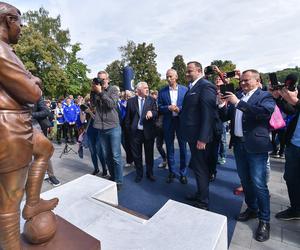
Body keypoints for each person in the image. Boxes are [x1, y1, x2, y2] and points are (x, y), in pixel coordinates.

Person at [0, 3, 57, 249]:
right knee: (9, 202)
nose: (22, 30)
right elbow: (32, 93)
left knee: (44, 148)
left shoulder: (7, 50)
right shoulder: (1, 51)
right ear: (8, 21)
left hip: (18, 123)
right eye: (20, 24)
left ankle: (32, 202)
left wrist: (30, 79)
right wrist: (34, 80)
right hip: (9, 127)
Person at [219, 69, 275, 242]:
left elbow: (264, 114)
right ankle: (252, 208)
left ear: (258, 81)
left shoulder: (265, 96)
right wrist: (221, 105)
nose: (242, 83)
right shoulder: (238, 96)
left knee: (259, 184)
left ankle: (265, 220)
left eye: (246, 80)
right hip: (239, 145)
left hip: (256, 146)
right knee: (245, 180)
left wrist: (238, 103)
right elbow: (225, 117)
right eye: (241, 81)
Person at [180, 61, 218, 210]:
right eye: (187, 71)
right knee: (197, 167)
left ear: (199, 71)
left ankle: (203, 201)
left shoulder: (206, 86)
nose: (187, 74)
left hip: (199, 137)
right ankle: (200, 194)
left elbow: (208, 114)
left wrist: (203, 138)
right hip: (192, 135)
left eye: (190, 71)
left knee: (201, 168)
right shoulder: (193, 87)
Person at [271, 75, 300, 220]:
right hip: (294, 144)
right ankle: (296, 209)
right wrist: (279, 98)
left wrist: (296, 102)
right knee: (291, 178)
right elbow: (292, 110)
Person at [91, 71, 123, 190]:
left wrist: (100, 92)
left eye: (103, 79)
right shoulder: (96, 91)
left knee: (116, 156)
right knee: (107, 156)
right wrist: (93, 90)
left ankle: (119, 181)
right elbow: (93, 104)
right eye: (99, 79)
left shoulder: (113, 89)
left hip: (113, 127)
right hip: (101, 127)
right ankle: (113, 177)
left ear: (108, 79)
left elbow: (111, 104)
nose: (101, 81)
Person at [158, 69, 188, 183]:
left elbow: (188, 105)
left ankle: (183, 173)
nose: (168, 78)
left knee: (183, 148)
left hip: (181, 121)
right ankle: (171, 172)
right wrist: (168, 108)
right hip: (168, 122)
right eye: (167, 76)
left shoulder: (185, 90)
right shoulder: (162, 91)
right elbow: (159, 107)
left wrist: (179, 108)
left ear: (176, 77)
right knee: (169, 147)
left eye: (170, 76)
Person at [125, 82, 158, 183]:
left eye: (148, 87)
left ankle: (150, 173)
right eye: (145, 88)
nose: (147, 89)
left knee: (149, 155)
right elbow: (127, 119)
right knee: (137, 156)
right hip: (135, 134)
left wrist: (152, 112)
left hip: (148, 132)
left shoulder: (152, 100)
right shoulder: (131, 101)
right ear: (138, 90)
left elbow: (157, 112)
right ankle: (139, 174)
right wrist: (129, 132)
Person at [32, 97, 61, 186]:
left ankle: (51, 175)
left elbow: (45, 111)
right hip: (15, 127)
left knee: (44, 152)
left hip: (34, 126)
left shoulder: (35, 94)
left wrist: (30, 114)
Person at [150, 90, 167, 169]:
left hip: (166, 127)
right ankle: (165, 160)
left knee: (169, 146)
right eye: (152, 95)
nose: (153, 96)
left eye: (154, 95)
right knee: (159, 146)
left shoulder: (163, 102)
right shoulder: (151, 103)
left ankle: (168, 161)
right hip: (156, 128)